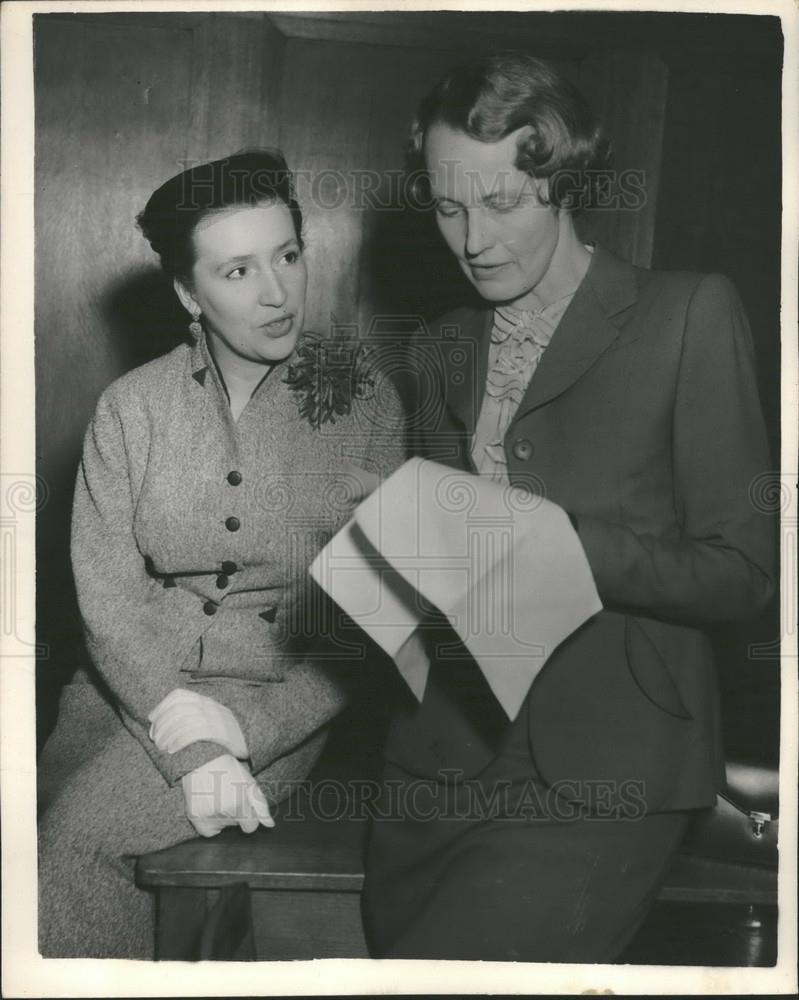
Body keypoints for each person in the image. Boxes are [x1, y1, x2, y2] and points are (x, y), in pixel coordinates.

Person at [360, 53, 776, 962]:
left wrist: (565, 544)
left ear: (561, 182)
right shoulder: (437, 345)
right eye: (446, 205)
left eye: (502, 202)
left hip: (606, 774)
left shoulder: (687, 315)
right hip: (436, 768)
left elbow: (747, 573)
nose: (471, 238)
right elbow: (449, 576)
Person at [37, 149, 406, 959]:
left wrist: (252, 734)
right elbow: (106, 604)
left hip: (267, 708)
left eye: (287, 255)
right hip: (122, 694)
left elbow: (375, 624)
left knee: (79, 849)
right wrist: (191, 744)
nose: (277, 292)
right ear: (186, 293)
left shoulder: (367, 402)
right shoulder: (131, 409)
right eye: (237, 270)